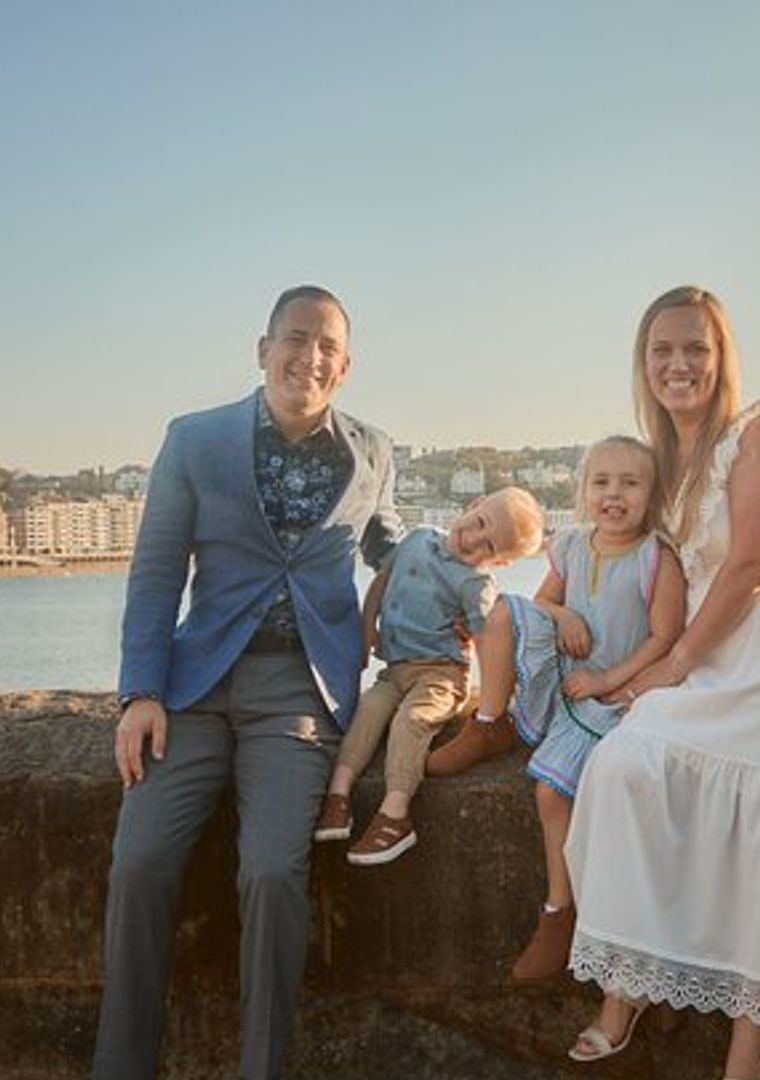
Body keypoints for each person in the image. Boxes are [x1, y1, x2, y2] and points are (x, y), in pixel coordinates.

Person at [94, 285, 402, 1080]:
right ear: (262, 348)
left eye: (329, 345)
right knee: (138, 862)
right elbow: (157, 571)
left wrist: (472, 603)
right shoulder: (194, 441)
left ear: (347, 364)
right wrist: (140, 694)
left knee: (270, 870)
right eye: (296, 339)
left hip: (300, 696)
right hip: (193, 691)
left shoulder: (372, 451)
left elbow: (392, 552)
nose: (312, 356)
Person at [561, 287, 760, 1080]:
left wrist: (675, 665)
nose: (679, 365)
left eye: (696, 348)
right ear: (644, 365)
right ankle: (630, 980)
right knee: (623, 769)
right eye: (662, 351)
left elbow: (752, 566)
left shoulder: (757, 433)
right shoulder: (662, 462)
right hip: (703, 648)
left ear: (721, 357)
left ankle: (748, 1047)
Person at [425, 435, 687, 983]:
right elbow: (544, 602)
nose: (613, 495)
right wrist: (562, 617)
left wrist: (610, 680)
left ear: (652, 494)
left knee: (551, 791)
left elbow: (666, 637)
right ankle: (490, 724)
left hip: (612, 698)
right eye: (601, 483)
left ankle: (558, 913)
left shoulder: (655, 558)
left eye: (630, 484)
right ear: (583, 491)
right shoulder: (572, 546)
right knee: (503, 613)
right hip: (565, 683)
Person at [312, 486, 545, 865]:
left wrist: (491, 704)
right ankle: (339, 794)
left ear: (499, 563)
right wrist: (366, 628)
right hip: (395, 669)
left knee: (410, 721)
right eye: (479, 522)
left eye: (487, 546)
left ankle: (395, 812)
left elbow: (487, 639)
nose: (471, 540)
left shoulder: (475, 584)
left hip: (442, 674)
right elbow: (383, 580)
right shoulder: (419, 538)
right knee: (368, 710)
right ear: (474, 504)